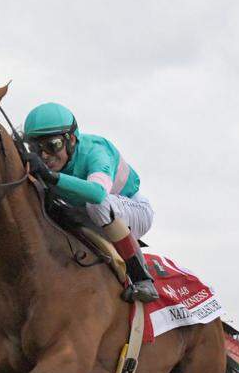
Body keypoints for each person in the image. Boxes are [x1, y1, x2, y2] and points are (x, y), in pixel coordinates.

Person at [22, 102, 159, 302]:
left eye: (52, 145)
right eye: (35, 148)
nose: (44, 156)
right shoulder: (50, 159)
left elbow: (97, 194)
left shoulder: (96, 151)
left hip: (134, 209)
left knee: (96, 204)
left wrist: (49, 176)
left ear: (71, 139)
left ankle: (142, 279)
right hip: (90, 213)